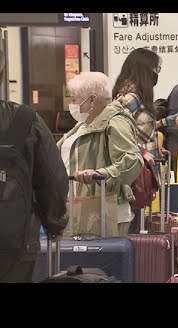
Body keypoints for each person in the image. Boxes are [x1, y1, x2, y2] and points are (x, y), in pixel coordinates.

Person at [0, 48, 68, 283]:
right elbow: (53, 179)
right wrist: (55, 224)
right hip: (15, 243)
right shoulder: (25, 120)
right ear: (1, 74)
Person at [57, 72, 144, 236]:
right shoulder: (83, 124)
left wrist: (99, 174)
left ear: (91, 100)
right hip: (81, 209)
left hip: (105, 212)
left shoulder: (116, 121)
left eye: (74, 99)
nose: (71, 104)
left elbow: (132, 161)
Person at [112, 48, 162, 232]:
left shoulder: (134, 95)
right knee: (131, 227)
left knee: (135, 223)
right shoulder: (130, 97)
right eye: (155, 68)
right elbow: (117, 132)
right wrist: (143, 151)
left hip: (138, 171)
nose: (156, 74)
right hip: (133, 172)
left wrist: (155, 148)